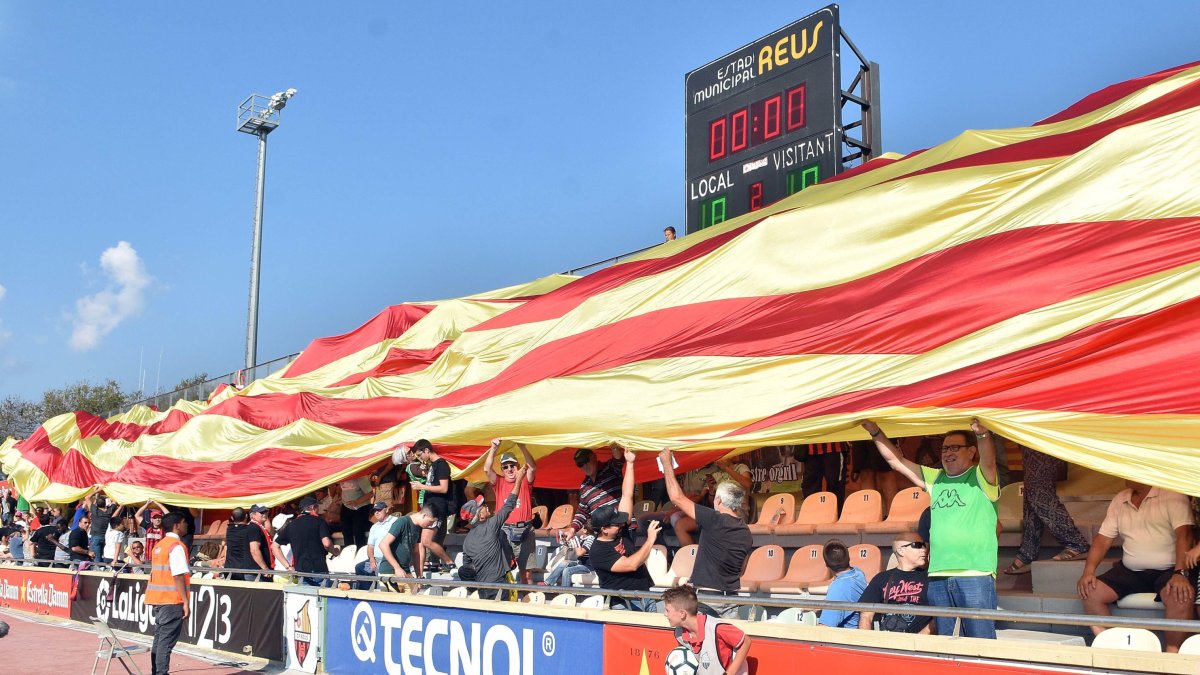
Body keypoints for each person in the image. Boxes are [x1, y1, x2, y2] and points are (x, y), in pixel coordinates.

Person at [862, 419, 999, 639]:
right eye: (945, 448)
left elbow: (990, 463)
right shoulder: (936, 479)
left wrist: (982, 435)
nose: (947, 453)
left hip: (975, 574)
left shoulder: (981, 478)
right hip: (937, 576)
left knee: (980, 643)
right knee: (943, 643)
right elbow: (896, 462)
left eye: (955, 447)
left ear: (972, 451)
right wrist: (875, 432)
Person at [1078, 481, 1192, 652]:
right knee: (1090, 591)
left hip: (1169, 569)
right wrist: (1088, 571)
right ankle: (1113, 647)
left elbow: (1185, 534)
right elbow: (1103, 540)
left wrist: (1181, 572)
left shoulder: (1173, 495)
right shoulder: (1120, 499)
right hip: (1130, 570)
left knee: (1180, 595)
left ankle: (1172, 655)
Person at [660, 449, 753, 619]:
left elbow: (676, 497)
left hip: (709, 600)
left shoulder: (714, 519)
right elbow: (742, 569)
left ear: (718, 501)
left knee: (703, 644)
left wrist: (667, 464)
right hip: (731, 600)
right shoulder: (746, 531)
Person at [589, 448, 663, 611]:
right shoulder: (598, 551)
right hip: (624, 604)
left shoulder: (618, 529)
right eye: (616, 524)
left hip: (644, 596)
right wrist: (650, 539)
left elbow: (627, 495)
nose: (622, 524)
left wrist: (630, 463)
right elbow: (632, 564)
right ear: (604, 529)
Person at [1003, 446, 1090, 574]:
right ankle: (1028, 552)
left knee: (1038, 491)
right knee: (1030, 495)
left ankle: (1075, 542)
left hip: (1040, 436)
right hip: (1028, 436)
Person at [459, 465, 528, 599]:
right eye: (482, 506)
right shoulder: (491, 525)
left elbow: (467, 568)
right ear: (481, 516)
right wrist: (519, 479)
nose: (486, 506)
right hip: (498, 587)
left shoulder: (467, 541)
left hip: (482, 589)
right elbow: (510, 504)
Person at [482, 439, 538, 585]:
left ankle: (528, 604)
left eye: (512, 465)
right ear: (502, 469)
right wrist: (493, 448)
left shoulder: (524, 480)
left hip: (525, 529)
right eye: (505, 466)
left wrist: (523, 447)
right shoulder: (499, 482)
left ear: (518, 466)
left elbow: (532, 467)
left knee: (526, 574)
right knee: (503, 571)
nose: (509, 469)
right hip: (505, 531)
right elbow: (487, 469)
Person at [662, 585, 751, 675]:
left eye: (667, 610)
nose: (665, 614)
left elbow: (746, 642)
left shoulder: (716, 628)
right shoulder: (679, 633)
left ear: (682, 613)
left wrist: (730, 673)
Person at [859, 532, 933, 633]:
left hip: (919, 643)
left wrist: (918, 639)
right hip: (888, 640)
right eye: (917, 545)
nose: (924, 549)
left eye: (924, 545)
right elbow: (866, 616)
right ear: (901, 551)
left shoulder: (931, 579)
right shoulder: (881, 578)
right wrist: (866, 643)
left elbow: (939, 617)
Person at [147, 512, 190, 675]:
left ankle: (156, 672)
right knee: (165, 643)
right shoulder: (176, 546)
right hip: (171, 600)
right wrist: (185, 602)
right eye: (184, 522)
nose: (187, 525)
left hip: (158, 599)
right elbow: (178, 575)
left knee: (159, 641)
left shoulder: (160, 545)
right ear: (177, 525)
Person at [408, 439, 456, 571]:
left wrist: (421, 486)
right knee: (423, 541)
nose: (420, 459)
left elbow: (443, 488)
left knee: (426, 541)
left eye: (420, 455)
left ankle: (450, 562)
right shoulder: (433, 465)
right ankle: (426, 569)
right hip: (430, 508)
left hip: (436, 508)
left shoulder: (441, 465)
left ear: (427, 451)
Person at [274, 496, 340, 586]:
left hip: (301, 571)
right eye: (317, 507)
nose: (318, 510)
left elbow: (274, 546)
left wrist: (288, 567)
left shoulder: (291, 525)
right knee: (322, 598)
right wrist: (335, 551)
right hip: (319, 569)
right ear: (313, 508)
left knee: (307, 598)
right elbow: (327, 543)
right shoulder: (319, 522)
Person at [565, 446, 625, 539]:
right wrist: (572, 530)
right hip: (603, 535)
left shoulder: (610, 468)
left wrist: (614, 446)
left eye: (586, 460)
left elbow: (619, 460)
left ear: (594, 456)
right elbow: (582, 512)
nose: (585, 466)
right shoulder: (585, 486)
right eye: (580, 464)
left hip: (622, 528)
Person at [377, 505, 438, 589]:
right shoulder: (402, 521)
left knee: (414, 594)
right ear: (424, 515)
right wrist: (397, 567)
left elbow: (416, 552)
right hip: (390, 571)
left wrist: (419, 576)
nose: (430, 525)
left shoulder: (419, 527)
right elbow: (383, 544)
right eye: (430, 522)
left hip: (406, 571)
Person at [818, 541, 867, 628]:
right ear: (848, 558)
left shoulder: (838, 588)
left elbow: (824, 629)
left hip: (845, 638)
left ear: (826, 564)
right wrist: (818, 606)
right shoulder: (858, 572)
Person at [356, 502, 398, 589]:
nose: (376, 513)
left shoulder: (395, 521)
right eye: (375, 511)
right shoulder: (374, 527)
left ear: (386, 510)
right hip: (376, 559)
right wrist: (371, 559)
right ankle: (367, 594)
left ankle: (380, 593)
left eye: (379, 510)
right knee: (360, 568)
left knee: (379, 569)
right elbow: (370, 546)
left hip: (388, 559)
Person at [224, 508, 270, 581]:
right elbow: (254, 550)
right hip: (243, 570)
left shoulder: (229, 530)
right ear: (246, 516)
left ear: (232, 518)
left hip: (229, 568)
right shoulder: (250, 529)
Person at [802, 442, 850, 510]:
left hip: (835, 448)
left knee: (835, 487)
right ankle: (812, 517)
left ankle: (835, 518)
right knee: (810, 489)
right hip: (811, 448)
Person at [338, 473, 375, 550]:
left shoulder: (361, 477)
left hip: (361, 507)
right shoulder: (341, 475)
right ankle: (349, 552)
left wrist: (357, 502)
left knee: (358, 531)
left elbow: (371, 493)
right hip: (346, 506)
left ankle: (360, 554)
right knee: (346, 530)